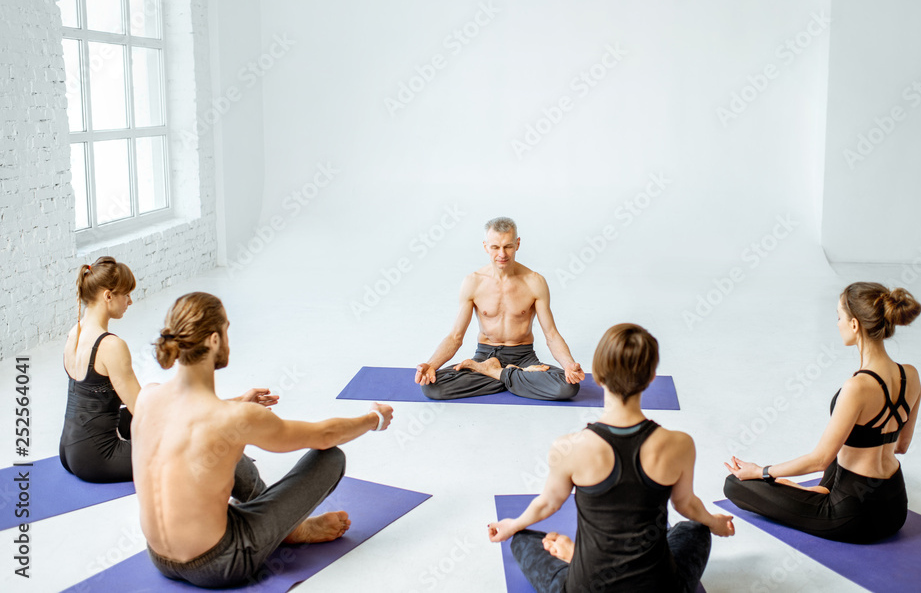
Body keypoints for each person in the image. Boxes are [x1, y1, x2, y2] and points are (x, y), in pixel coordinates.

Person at [132, 292, 394, 588]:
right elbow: (324, 436)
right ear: (214, 340)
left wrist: (235, 402)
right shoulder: (233, 418)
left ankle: (285, 528)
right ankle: (294, 531)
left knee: (221, 450)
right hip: (220, 563)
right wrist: (374, 419)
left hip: (158, 558)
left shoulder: (147, 397)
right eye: (227, 330)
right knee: (331, 457)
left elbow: (190, 419)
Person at [489, 323, 734, 593]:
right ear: (651, 377)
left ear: (600, 376)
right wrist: (715, 522)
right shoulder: (680, 444)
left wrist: (513, 525)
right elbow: (687, 505)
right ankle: (575, 555)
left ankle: (574, 557)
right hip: (661, 588)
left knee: (521, 539)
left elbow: (548, 504)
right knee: (696, 528)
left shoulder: (569, 447)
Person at [723, 282, 921, 544]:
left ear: (854, 325)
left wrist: (762, 471)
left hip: (853, 517)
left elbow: (819, 460)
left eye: (839, 316)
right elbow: (902, 446)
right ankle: (820, 490)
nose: (837, 323)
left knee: (734, 485)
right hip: (895, 508)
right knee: (843, 450)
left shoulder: (857, 387)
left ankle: (811, 493)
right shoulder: (911, 374)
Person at [59, 257, 277, 483]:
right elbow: (147, 412)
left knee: (138, 414)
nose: (130, 302)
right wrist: (230, 409)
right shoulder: (111, 346)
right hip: (96, 459)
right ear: (108, 296)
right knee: (187, 444)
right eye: (126, 295)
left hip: (68, 448)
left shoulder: (74, 332)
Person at [415, 217, 584, 401]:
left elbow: (551, 335)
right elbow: (455, 337)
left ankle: (493, 373)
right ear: (485, 246)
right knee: (433, 388)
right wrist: (431, 365)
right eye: (495, 247)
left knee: (567, 387)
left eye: (508, 246)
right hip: (485, 355)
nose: (502, 254)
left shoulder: (535, 282)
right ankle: (513, 376)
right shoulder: (473, 282)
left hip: (524, 357)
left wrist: (568, 365)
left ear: (517, 244)